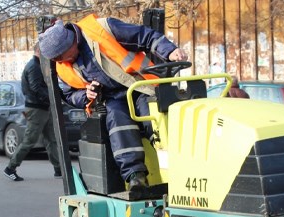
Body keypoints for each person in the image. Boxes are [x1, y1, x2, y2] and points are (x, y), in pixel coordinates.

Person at [37, 16, 187, 191]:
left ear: (69, 43)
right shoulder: (63, 67)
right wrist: (86, 94)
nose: (61, 62)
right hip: (112, 98)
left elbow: (143, 35)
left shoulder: (102, 28)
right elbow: (70, 95)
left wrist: (169, 51)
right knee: (117, 120)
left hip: (142, 86)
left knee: (152, 116)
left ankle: (180, 168)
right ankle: (135, 177)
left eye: (61, 57)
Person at [3, 45, 62, 182]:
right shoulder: (34, 66)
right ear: (39, 51)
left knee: (51, 139)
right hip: (37, 109)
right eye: (46, 51)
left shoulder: (38, 65)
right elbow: (36, 88)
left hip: (43, 107)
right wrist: (52, 98)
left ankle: (59, 169)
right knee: (29, 140)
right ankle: (10, 168)